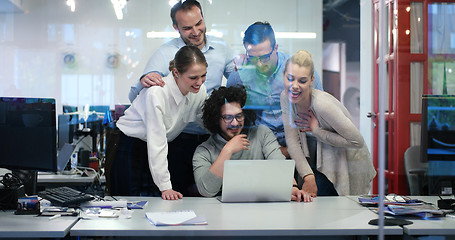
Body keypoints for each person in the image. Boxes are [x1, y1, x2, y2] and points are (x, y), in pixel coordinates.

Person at [128, 0, 234, 197]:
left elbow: (236, 87)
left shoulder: (222, 49)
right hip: (178, 139)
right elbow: (139, 98)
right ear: (176, 27)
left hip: (211, 139)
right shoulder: (164, 54)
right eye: (187, 28)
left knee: (212, 196)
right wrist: (143, 81)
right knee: (179, 198)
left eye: (199, 23)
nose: (195, 31)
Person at [109, 46, 208, 200]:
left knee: (158, 204)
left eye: (203, 76)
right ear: (176, 73)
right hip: (130, 146)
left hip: (160, 147)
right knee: (130, 204)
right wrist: (166, 187)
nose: (199, 82)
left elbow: (205, 121)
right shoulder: (156, 93)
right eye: (193, 77)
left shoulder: (200, 91)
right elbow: (157, 142)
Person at [280, 50, 376, 197]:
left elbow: (357, 141)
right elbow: (292, 142)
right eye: (290, 78)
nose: (294, 86)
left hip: (346, 162)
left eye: (302, 81)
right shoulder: (285, 97)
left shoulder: (322, 104)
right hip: (318, 158)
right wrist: (307, 175)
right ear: (283, 76)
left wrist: (317, 130)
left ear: (312, 80)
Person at [192, 86, 312, 202]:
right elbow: (206, 191)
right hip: (222, 212)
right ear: (216, 119)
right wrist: (227, 151)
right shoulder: (204, 151)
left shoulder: (261, 133)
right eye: (227, 117)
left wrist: (292, 188)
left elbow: (279, 165)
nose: (235, 123)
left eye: (239, 116)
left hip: (262, 209)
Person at [226, 21, 323, 159]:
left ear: (276, 48)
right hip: (262, 146)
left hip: (301, 140)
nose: (259, 64)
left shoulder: (299, 68)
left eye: (264, 57)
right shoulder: (239, 76)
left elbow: (321, 104)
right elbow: (229, 112)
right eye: (253, 58)